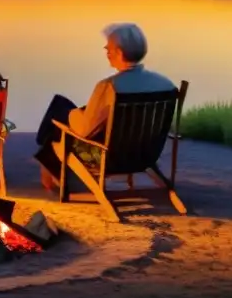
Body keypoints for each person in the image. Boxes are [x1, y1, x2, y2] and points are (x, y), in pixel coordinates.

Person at [34, 22, 176, 190]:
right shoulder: (166, 84)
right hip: (147, 155)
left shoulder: (109, 87)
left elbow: (85, 131)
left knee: (59, 113)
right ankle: (47, 159)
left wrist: (72, 114)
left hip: (109, 157)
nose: (106, 52)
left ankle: (47, 158)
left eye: (108, 49)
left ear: (119, 53)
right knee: (64, 108)